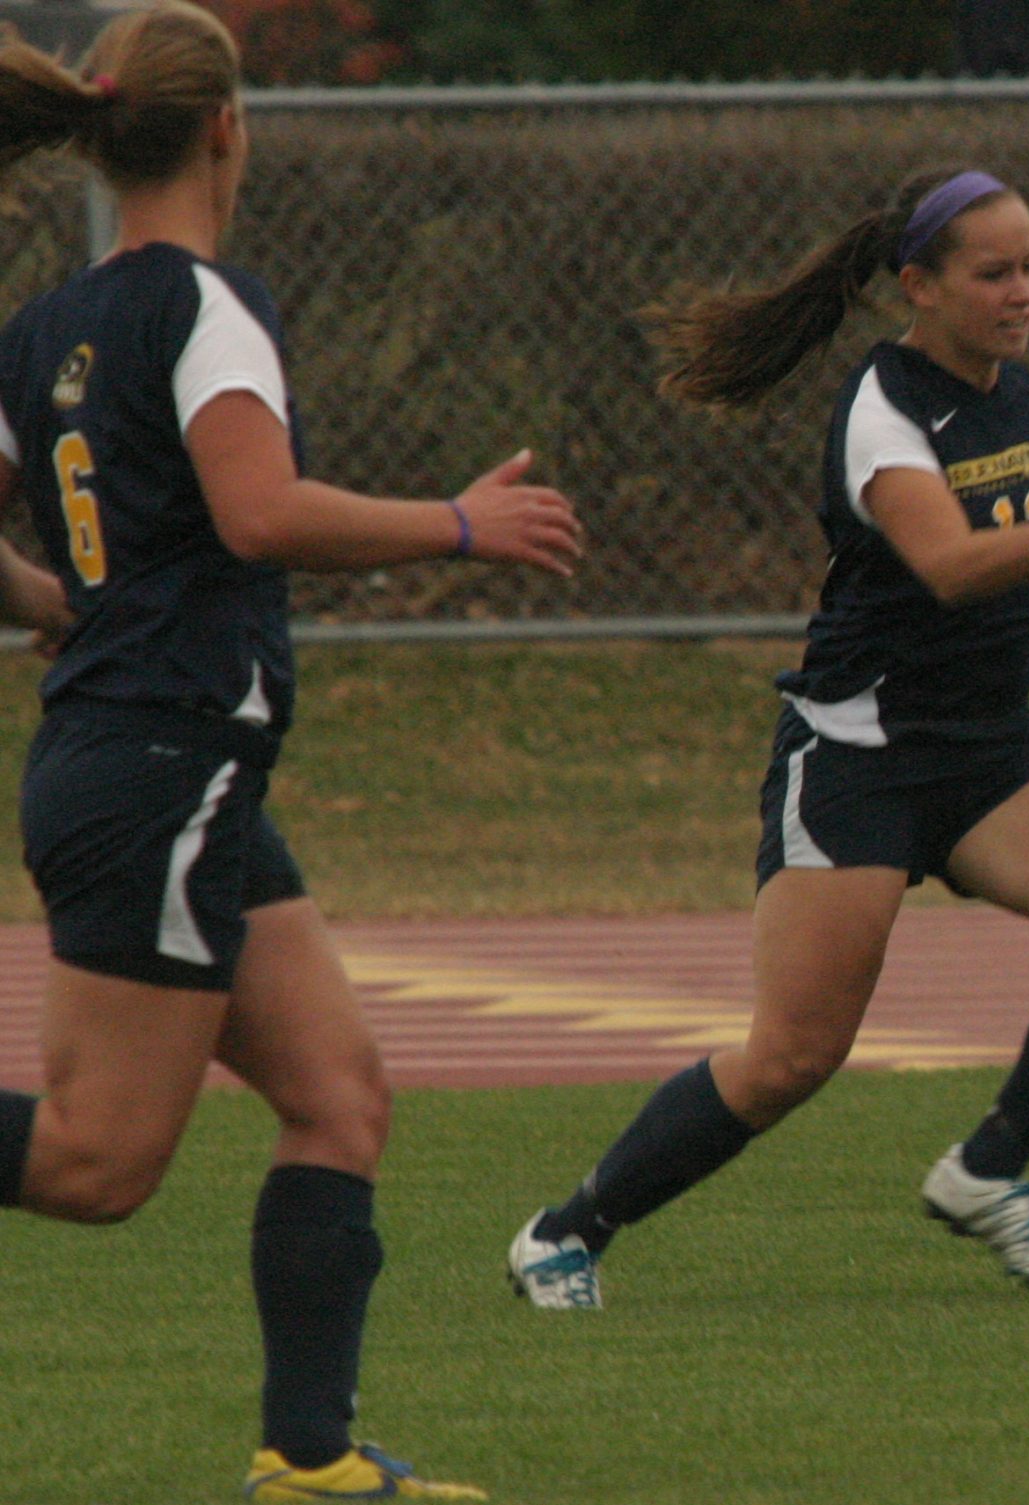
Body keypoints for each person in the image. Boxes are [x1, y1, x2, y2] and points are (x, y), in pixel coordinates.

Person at [0, 5, 583, 1499]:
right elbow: (261, 513)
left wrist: (69, 602)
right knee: (95, 1165)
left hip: (168, 763)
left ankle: (309, 1457)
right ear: (226, 129)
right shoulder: (206, 304)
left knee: (339, 1094)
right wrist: (461, 523)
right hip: (161, 767)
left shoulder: (49, 325)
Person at [506, 166, 1029, 1308]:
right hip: (858, 755)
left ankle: (990, 1167)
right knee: (791, 1058)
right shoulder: (883, 408)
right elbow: (955, 567)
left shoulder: (1026, 398)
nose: (1020, 291)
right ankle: (566, 1232)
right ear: (918, 283)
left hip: (986, 751)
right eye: (993, 271)